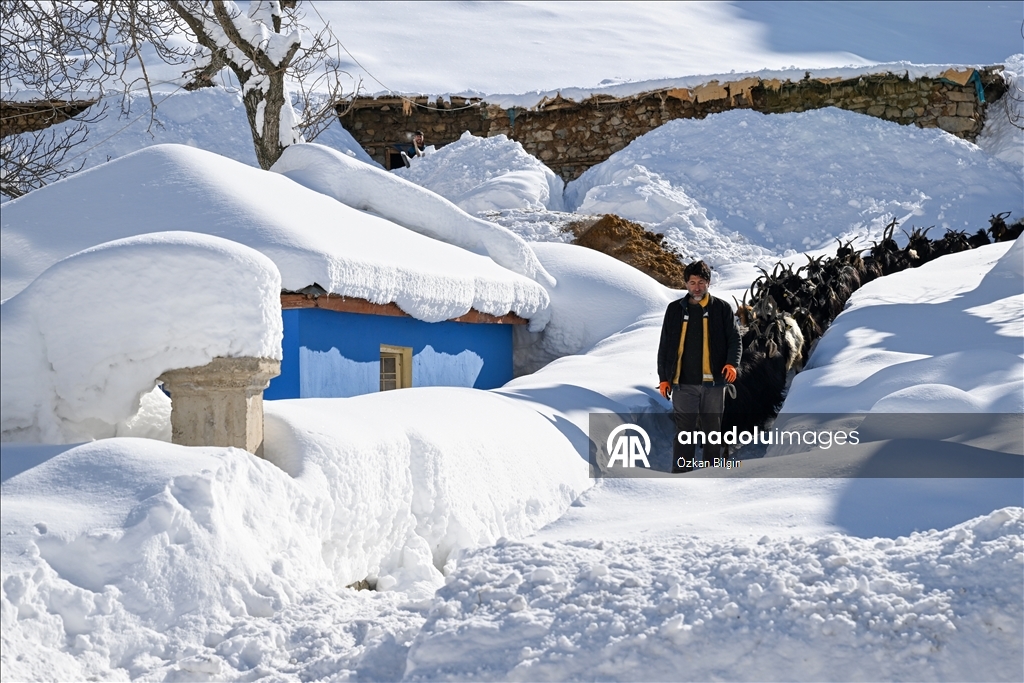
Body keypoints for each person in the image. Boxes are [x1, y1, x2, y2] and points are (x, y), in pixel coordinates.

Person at [656, 260, 740, 472]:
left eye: (701, 282)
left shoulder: (721, 309)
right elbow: (665, 345)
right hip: (682, 384)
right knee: (685, 432)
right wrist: (664, 378)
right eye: (692, 282)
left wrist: (732, 364)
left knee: (713, 432)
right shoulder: (674, 310)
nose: (696, 287)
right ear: (686, 284)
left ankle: (710, 474)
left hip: (714, 385)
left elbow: (734, 339)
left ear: (708, 283)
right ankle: (682, 474)